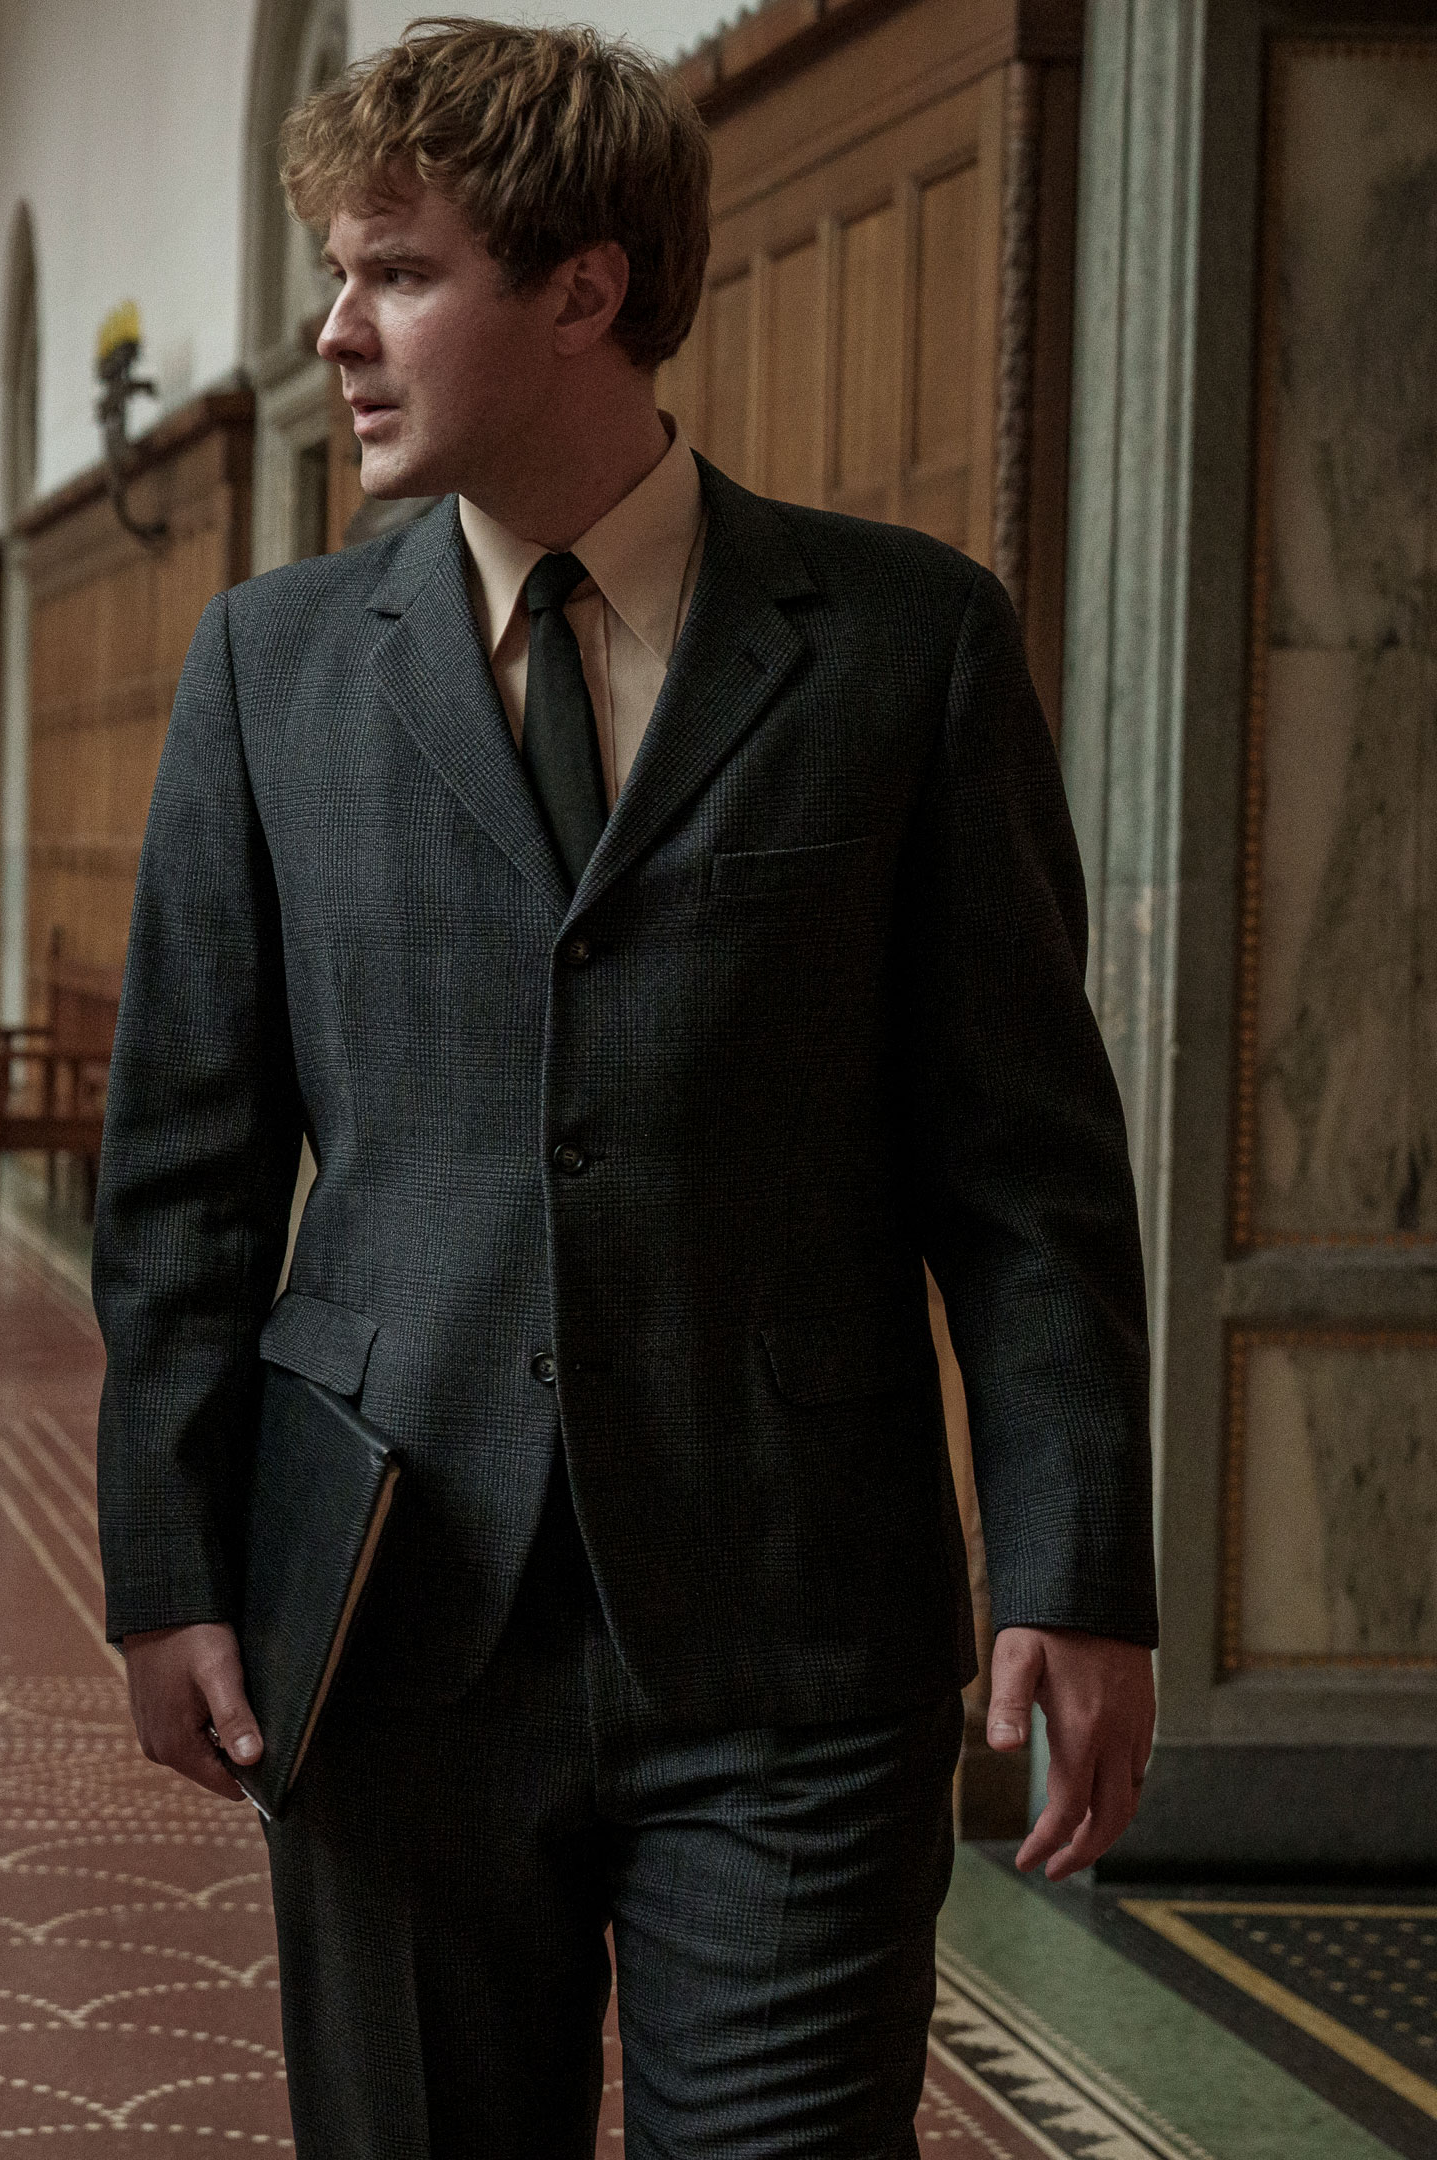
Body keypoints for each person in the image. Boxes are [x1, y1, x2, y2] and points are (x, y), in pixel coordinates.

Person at [90, 22, 1158, 2156]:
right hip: (386, 1610)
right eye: (334, 272)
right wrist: (166, 1564)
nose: (334, 331)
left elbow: (1023, 1166)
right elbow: (187, 1177)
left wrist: (1077, 1555)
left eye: (393, 271)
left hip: (792, 1625)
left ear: (582, 288)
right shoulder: (267, 668)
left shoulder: (899, 642)